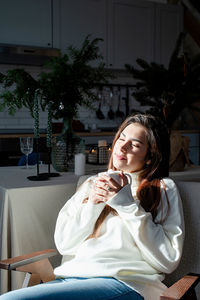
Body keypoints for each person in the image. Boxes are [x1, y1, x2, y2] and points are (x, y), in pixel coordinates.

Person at [0, 114, 184, 300]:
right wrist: (92, 205)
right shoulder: (92, 184)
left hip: (125, 283)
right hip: (71, 279)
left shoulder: (162, 188)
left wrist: (127, 205)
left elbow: (168, 260)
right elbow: (65, 245)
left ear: (150, 157)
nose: (122, 146)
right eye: (121, 138)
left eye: (134, 145)